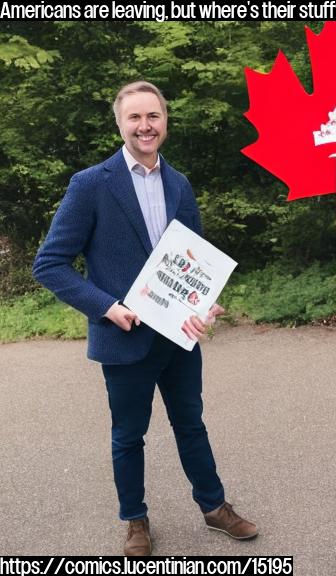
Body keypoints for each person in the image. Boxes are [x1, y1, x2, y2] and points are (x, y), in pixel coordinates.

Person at [33, 81, 257, 556]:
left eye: (152, 116)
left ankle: (214, 507)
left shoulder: (179, 184)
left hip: (178, 338)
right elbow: (49, 264)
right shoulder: (91, 184)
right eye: (134, 118)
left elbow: (196, 262)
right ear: (120, 124)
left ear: (165, 121)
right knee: (128, 435)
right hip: (124, 336)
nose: (145, 126)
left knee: (191, 425)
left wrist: (205, 302)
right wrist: (106, 307)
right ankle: (134, 520)